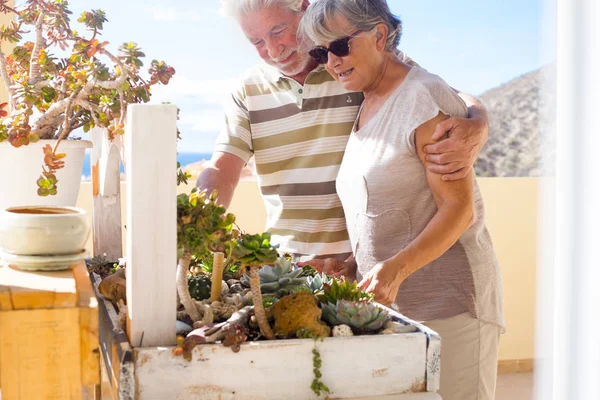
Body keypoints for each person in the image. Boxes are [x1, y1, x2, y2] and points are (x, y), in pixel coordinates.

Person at [297, 1, 504, 399]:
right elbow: (389, 208)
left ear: (379, 35)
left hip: (451, 307)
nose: (332, 62)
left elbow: (459, 211)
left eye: (339, 46)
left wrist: (391, 271)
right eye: (321, 53)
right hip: (398, 311)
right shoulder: (365, 104)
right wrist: (354, 265)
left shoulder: (422, 97)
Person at [197, 0, 490, 267]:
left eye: (278, 31)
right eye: (257, 41)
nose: (272, 51)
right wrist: (200, 221)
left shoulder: (357, 62)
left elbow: (438, 91)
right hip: (286, 267)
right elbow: (222, 167)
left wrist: (479, 121)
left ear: (304, 8)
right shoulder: (246, 90)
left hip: (364, 268)